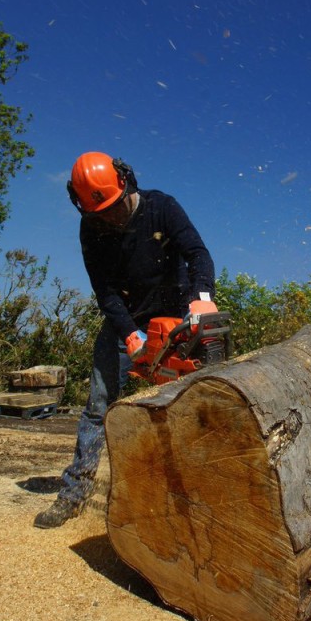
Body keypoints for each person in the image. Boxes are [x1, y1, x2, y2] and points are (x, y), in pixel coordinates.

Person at [34, 151, 216, 528]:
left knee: (195, 406)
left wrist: (202, 300)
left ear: (126, 184)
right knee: (99, 405)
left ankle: (197, 497)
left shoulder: (162, 207)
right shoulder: (92, 228)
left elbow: (197, 253)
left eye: (112, 210)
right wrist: (129, 333)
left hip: (176, 317)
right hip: (127, 320)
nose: (108, 219)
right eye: (98, 214)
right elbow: (105, 290)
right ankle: (75, 492)